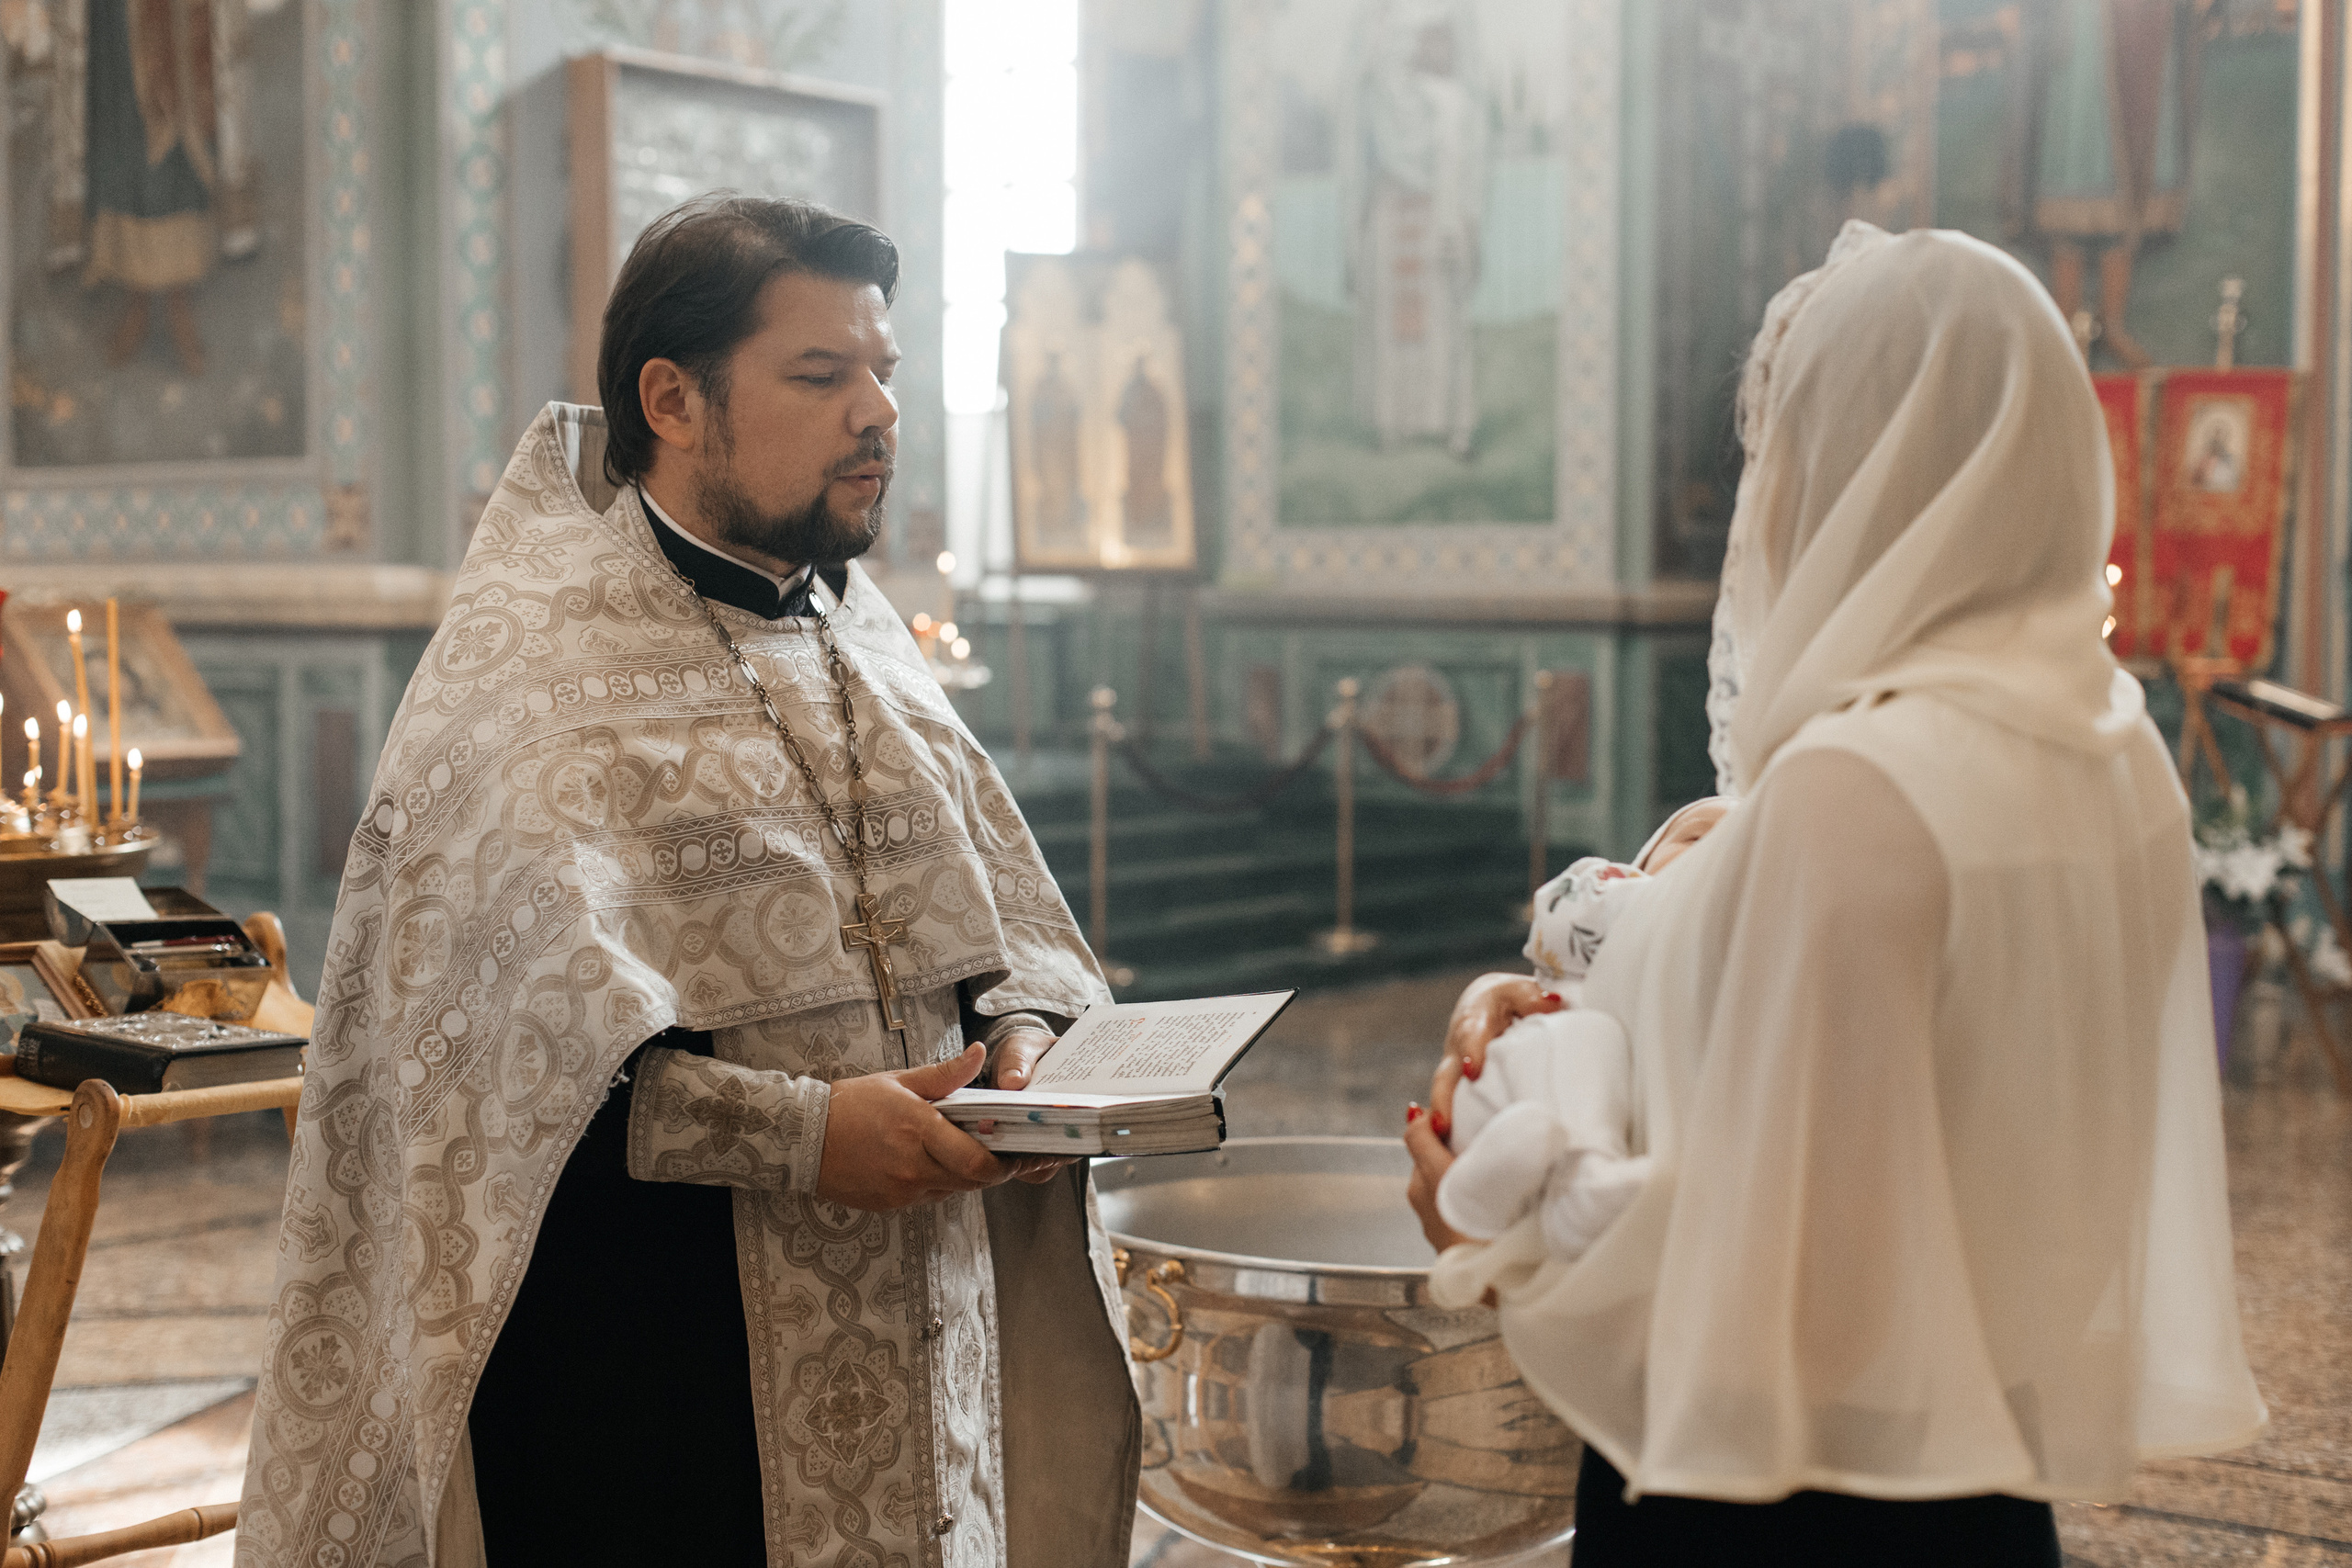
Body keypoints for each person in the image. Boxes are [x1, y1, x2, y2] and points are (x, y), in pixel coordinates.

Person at [241, 197, 1140, 1568]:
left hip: (924, 1347)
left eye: (886, 371)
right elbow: (476, 1079)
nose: (878, 414)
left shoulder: (863, 641)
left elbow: (1010, 927)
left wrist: (1021, 1035)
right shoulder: (528, 682)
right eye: (822, 375)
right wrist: (807, 1136)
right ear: (674, 397)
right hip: (654, 1394)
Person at [1404, 222, 2264, 1564]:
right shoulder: (2112, 746)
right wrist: (1599, 1002)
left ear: (1861, 470)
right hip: (1980, 1474)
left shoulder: (1859, 783)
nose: (1775, 498)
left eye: (1787, 449)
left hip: (1767, 1497)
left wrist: (1495, 1221)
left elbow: (1802, 1292)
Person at [1431, 798, 1728, 1257]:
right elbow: (1563, 913)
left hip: (1564, 1136)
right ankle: (1561, 1183)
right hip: (1517, 1080)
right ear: (1642, 859)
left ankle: (1514, 1195)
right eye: (1695, 838)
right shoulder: (1603, 886)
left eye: (1733, 852)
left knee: (1549, 1127)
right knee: (1591, 1038)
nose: (1712, 854)